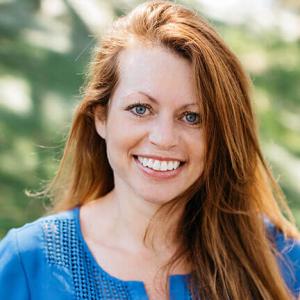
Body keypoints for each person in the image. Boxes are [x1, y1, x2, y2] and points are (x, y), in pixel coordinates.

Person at [0, 0, 300, 299]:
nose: (164, 138)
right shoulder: (29, 263)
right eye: (141, 109)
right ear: (101, 118)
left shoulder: (282, 260)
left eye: (192, 117)